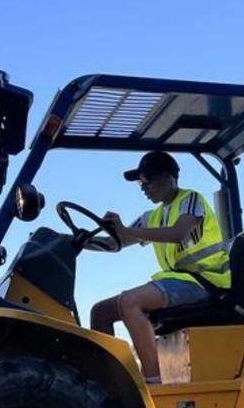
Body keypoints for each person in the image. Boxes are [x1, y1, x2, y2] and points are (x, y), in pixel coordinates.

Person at [89, 151, 230, 383]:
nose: (142, 187)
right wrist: (77, 241)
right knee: (100, 312)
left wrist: (126, 230)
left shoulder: (191, 200)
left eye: (147, 180)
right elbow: (114, 243)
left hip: (207, 282)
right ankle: (106, 383)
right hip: (178, 283)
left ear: (169, 178)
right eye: (140, 182)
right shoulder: (151, 217)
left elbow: (178, 233)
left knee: (130, 301)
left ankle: (154, 381)